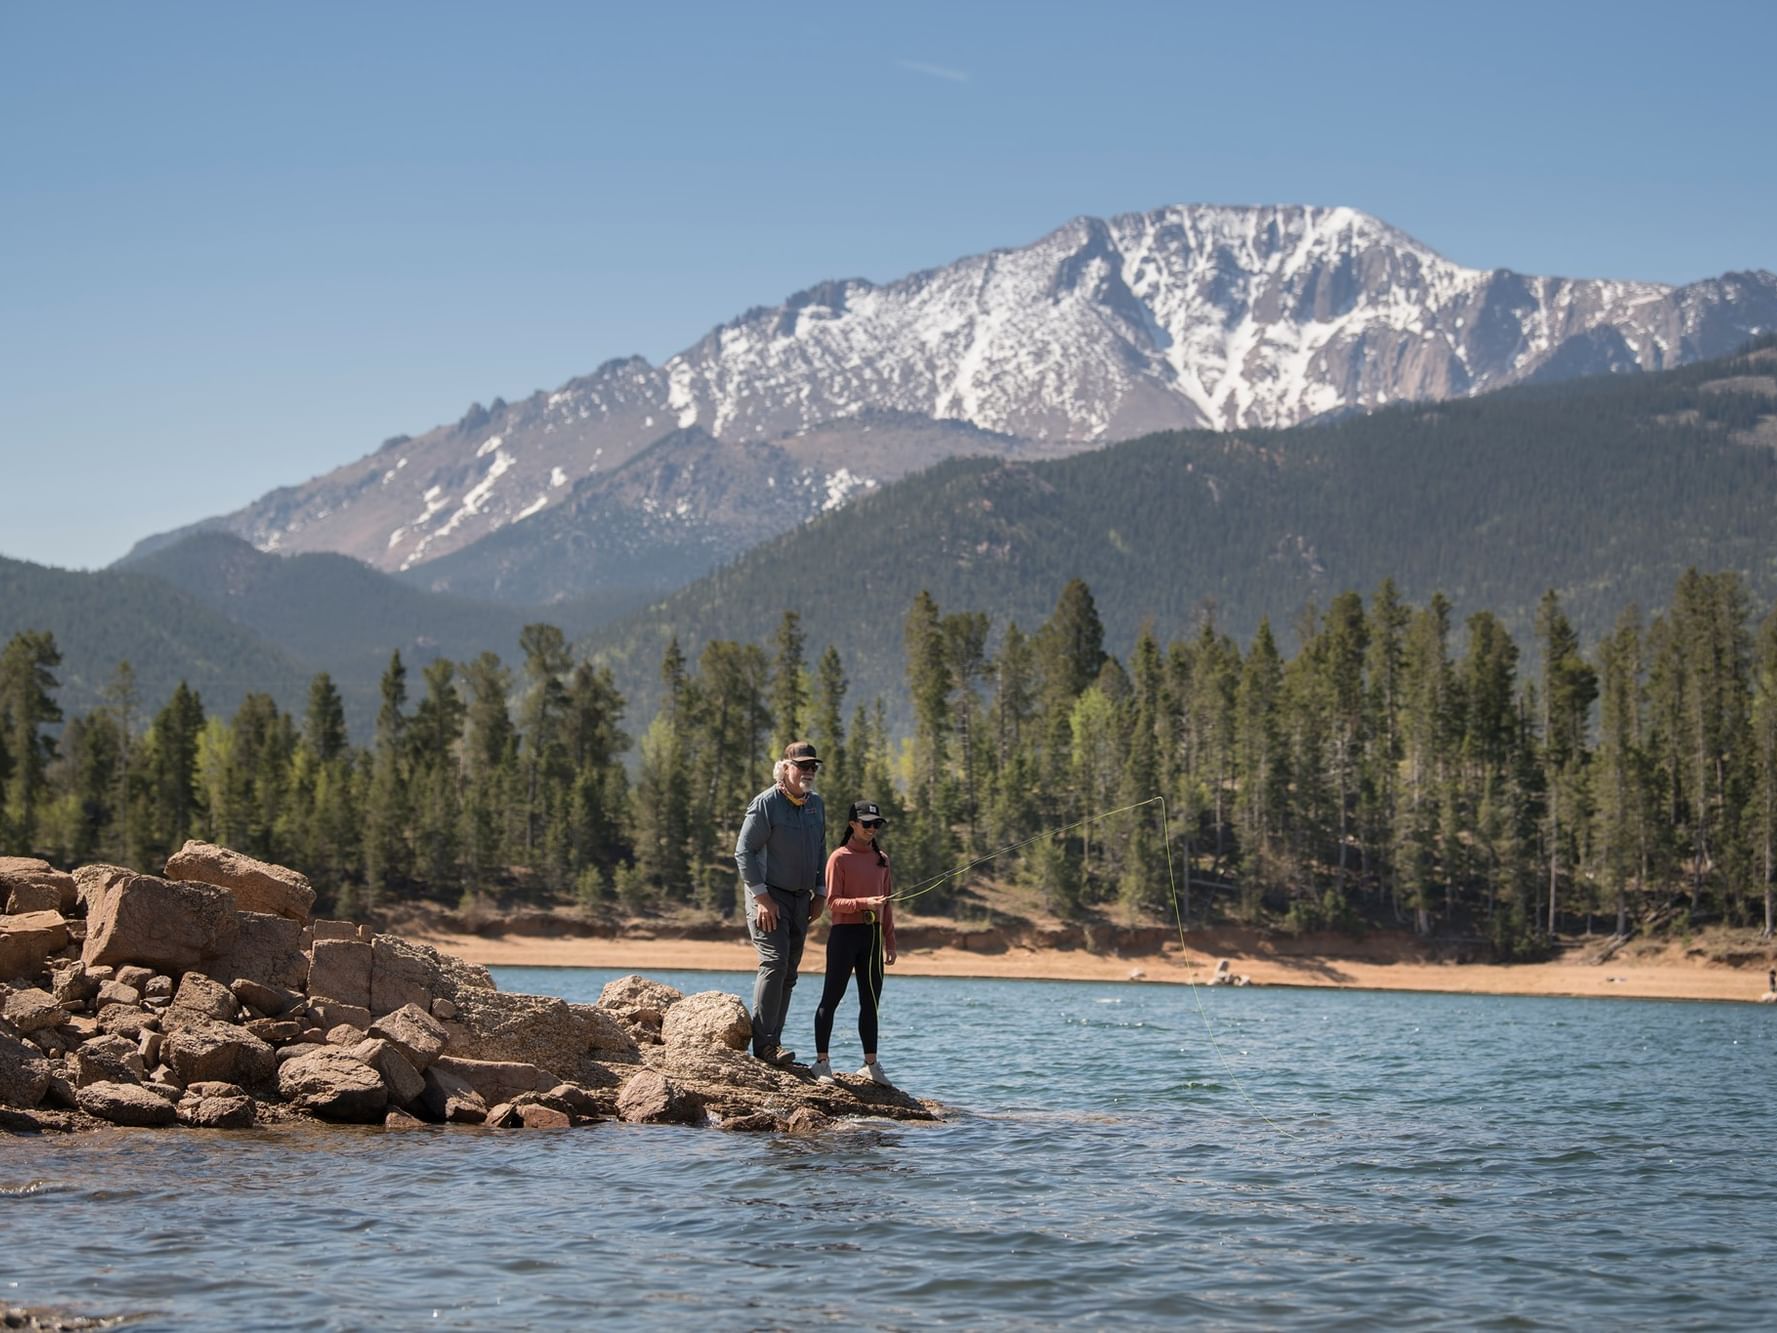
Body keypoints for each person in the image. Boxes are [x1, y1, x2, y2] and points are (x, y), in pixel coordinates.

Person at [735, 741, 827, 1066]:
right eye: (802, 766)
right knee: (773, 964)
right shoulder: (765, 804)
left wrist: (821, 892)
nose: (809, 772)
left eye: (813, 766)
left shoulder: (816, 805)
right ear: (784, 768)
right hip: (767, 898)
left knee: (789, 972)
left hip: (801, 900)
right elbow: (743, 852)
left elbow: (820, 849)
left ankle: (775, 1041)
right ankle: (764, 1048)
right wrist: (762, 898)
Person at [810, 800, 897, 1087]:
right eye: (866, 823)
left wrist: (890, 941)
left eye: (876, 824)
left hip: (872, 937)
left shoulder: (881, 859)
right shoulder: (839, 858)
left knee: (870, 1003)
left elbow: (888, 905)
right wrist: (864, 903)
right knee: (831, 999)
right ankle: (822, 1063)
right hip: (844, 936)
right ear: (852, 825)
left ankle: (870, 1065)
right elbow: (833, 902)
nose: (872, 828)